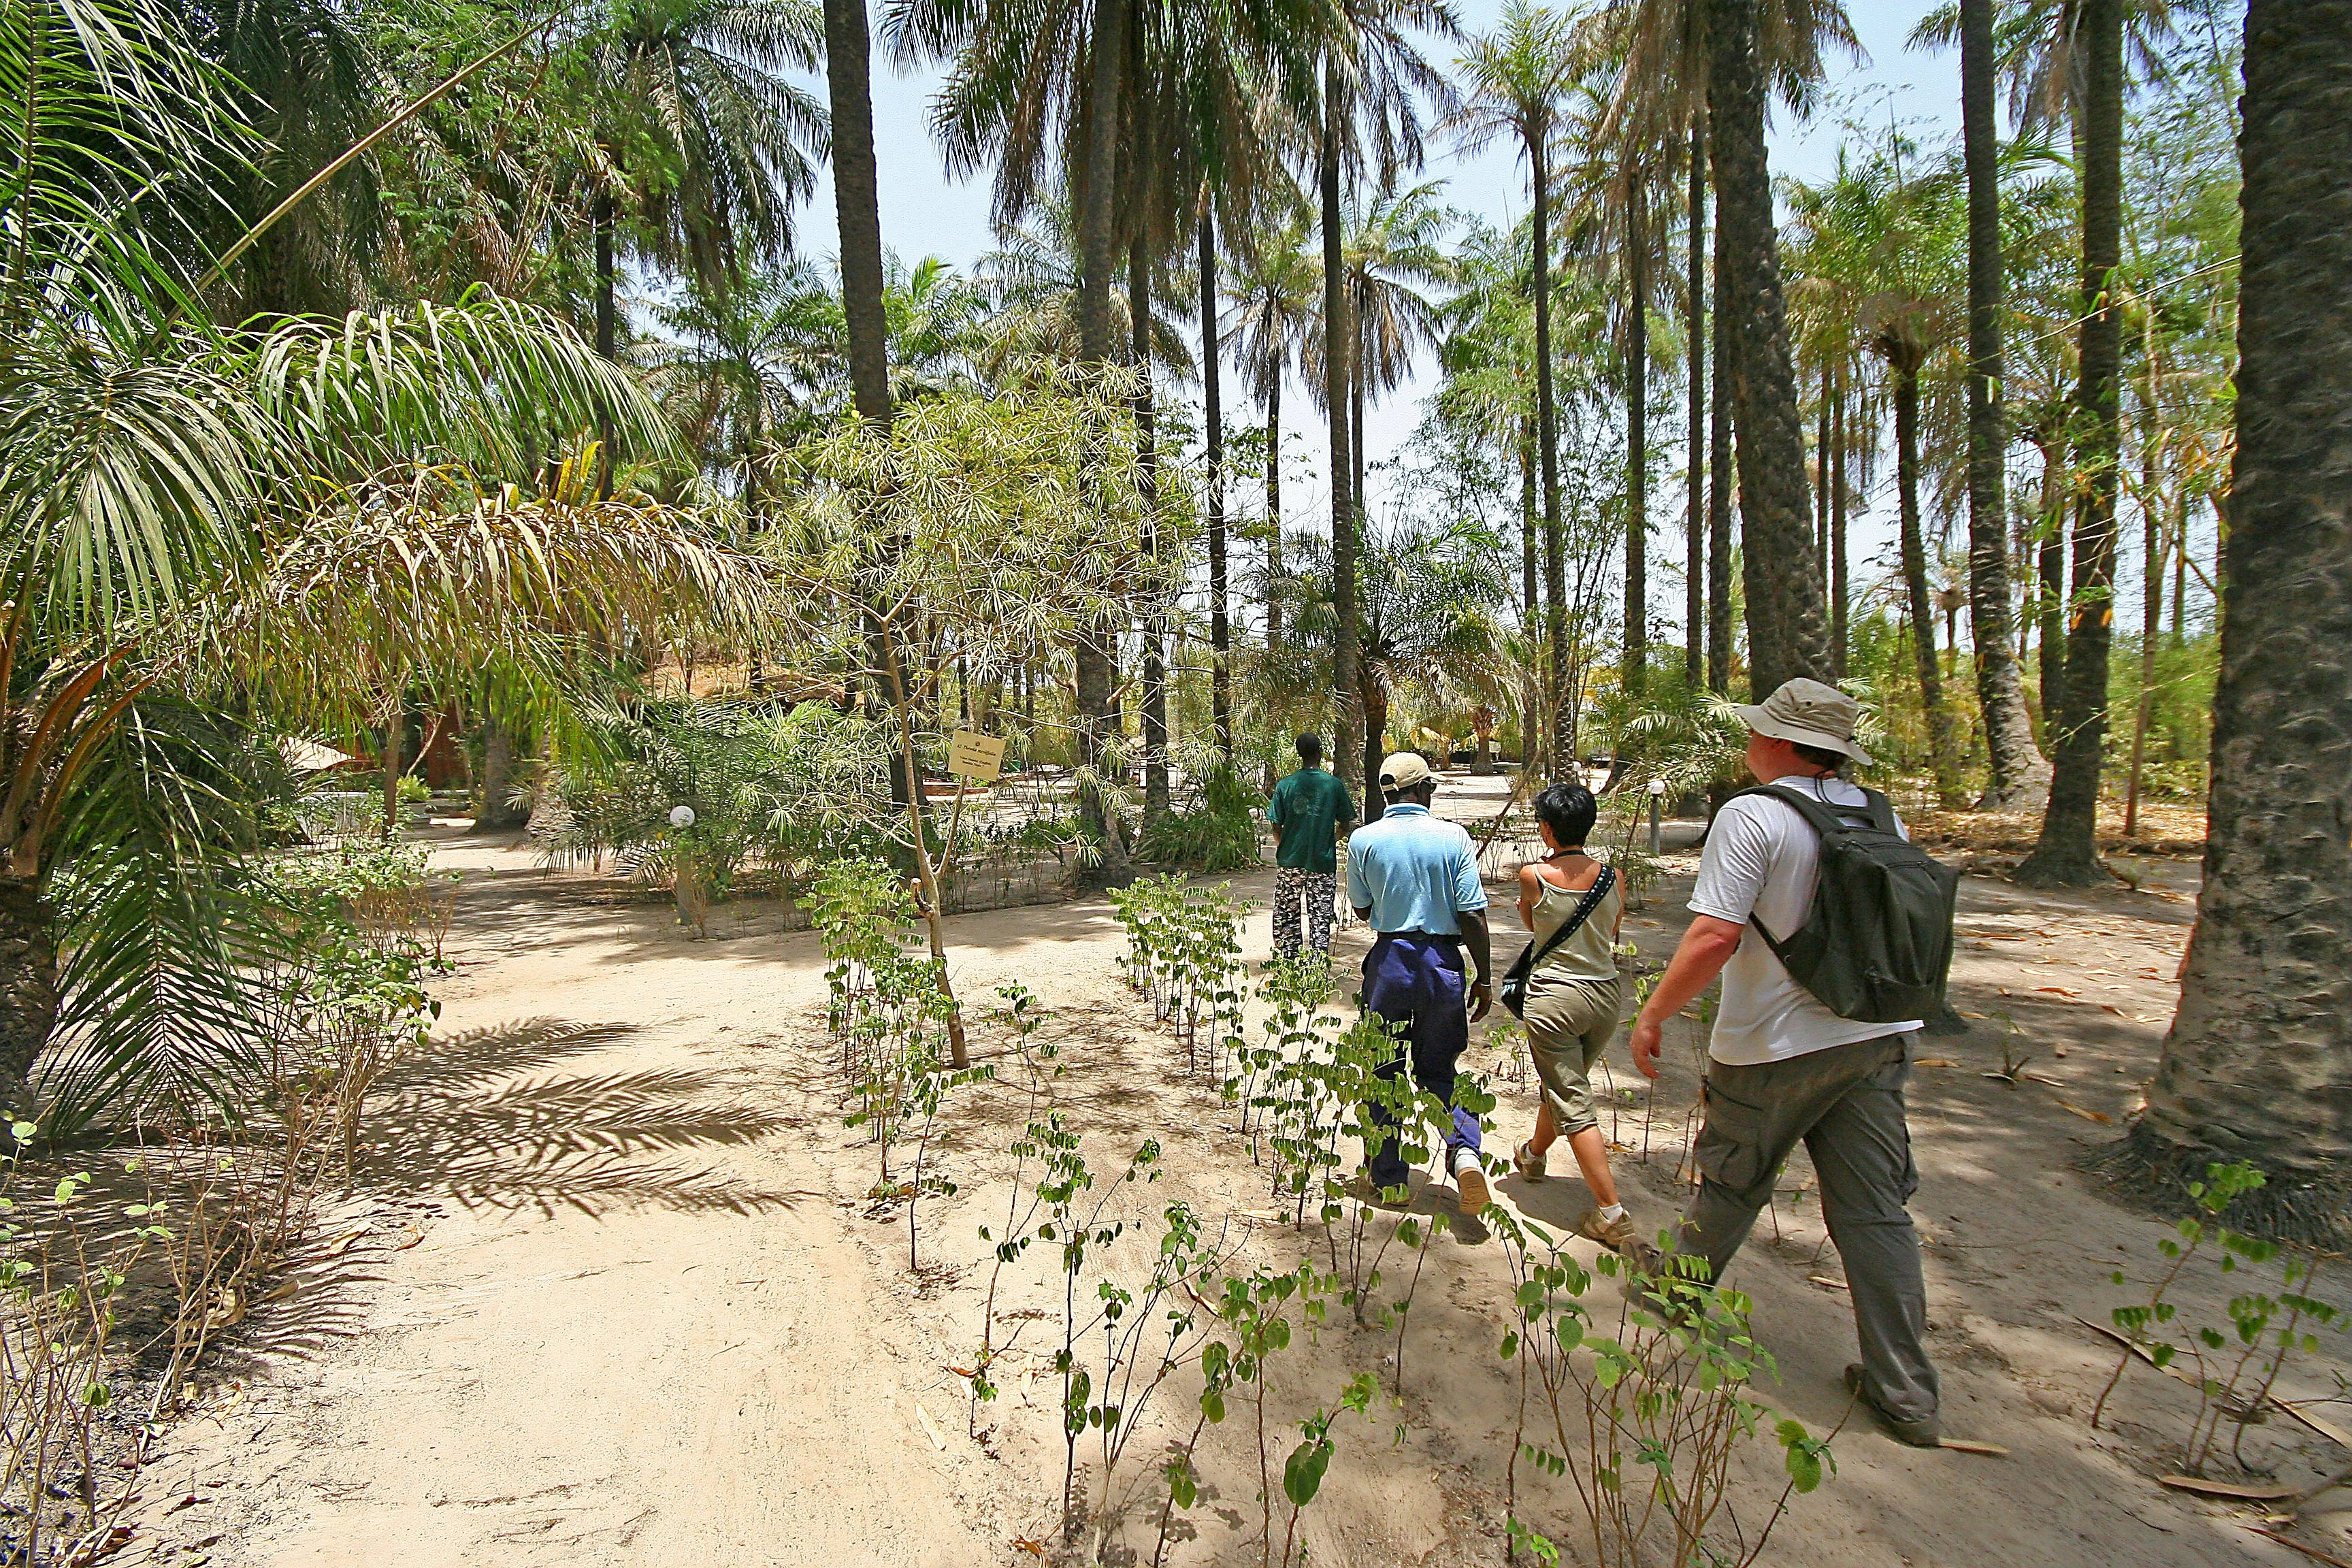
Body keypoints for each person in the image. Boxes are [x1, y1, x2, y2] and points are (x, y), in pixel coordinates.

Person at [1627, 678, 1940, 1447]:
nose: (1749, 740)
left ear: (1782, 743)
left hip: (1775, 1042)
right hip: (1875, 1036)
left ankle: (1678, 1295)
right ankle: (1906, 1394)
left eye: (1759, 730)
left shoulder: (1753, 815)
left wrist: (1655, 1012)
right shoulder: (1875, 810)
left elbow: (1712, 937)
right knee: (1875, 1211)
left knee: (1735, 1177)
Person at [1509, 783, 1651, 1263]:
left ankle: (1610, 1211)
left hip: (1555, 999)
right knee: (1566, 1081)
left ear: (1546, 827)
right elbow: (1612, 930)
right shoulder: (1614, 877)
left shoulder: (1534, 875)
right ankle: (1532, 1155)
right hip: (1605, 996)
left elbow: (1533, 927)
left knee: (1571, 1095)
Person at [1347, 752, 1494, 1213]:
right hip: (1441, 964)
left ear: (1387, 793)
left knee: (1384, 1069)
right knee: (1438, 1069)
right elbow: (1472, 914)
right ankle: (1464, 1150)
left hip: (1390, 961)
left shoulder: (1364, 840)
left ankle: (1389, 1179)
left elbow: (1363, 909)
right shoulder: (1454, 837)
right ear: (1426, 790)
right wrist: (1485, 978)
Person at [1266, 734, 1357, 962]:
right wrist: (1328, 840)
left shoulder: (1285, 785)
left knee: (1287, 913)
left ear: (1298, 753)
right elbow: (1345, 824)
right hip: (1322, 862)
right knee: (1320, 914)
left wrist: (1284, 845)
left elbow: (1276, 823)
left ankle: (1290, 962)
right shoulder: (1333, 785)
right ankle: (1317, 966)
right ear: (1320, 751)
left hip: (1290, 862)